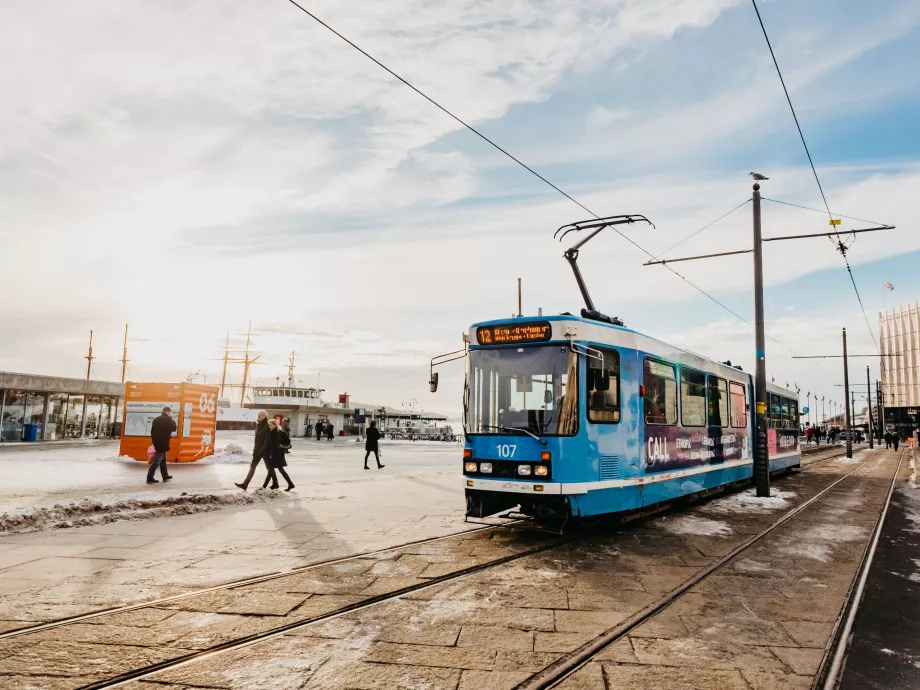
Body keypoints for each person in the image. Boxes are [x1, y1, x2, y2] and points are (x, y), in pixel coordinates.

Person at [235, 410, 271, 491]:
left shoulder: (267, 426)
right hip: (257, 451)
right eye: (258, 415)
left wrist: (261, 450)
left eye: (259, 416)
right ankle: (245, 484)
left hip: (264, 451)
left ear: (264, 417)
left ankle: (275, 483)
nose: (258, 417)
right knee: (253, 466)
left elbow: (266, 441)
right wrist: (255, 450)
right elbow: (257, 439)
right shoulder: (259, 425)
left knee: (270, 468)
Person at [262, 419, 295, 491]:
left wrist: (281, 445)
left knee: (276, 469)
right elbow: (268, 443)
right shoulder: (270, 433)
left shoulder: (281, 432)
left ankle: (271, 485)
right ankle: (286, 484)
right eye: (269, 425)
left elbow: (288, 442)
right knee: (274, 469)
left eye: (271, 425)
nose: (269, 426)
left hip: (279, 454)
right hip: (272, 454)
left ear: (275, 425)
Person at [147, 407, 177, 484]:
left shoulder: (156, 419)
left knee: (163, 460)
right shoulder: (168, 419)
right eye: (170, 412)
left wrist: (154, 441)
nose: (171, 414)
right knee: (157, 461)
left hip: (157, 442)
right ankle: (149, 477)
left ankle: (165, 475)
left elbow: (152, 431)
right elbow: (174, 428)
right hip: (163, 443)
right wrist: (172, 419)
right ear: (167, 412)